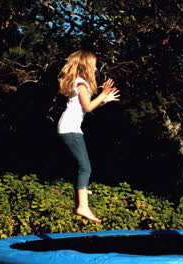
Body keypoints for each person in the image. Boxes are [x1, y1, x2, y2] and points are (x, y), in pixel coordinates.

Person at [57, 50, 120, 223]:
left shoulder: (79, 83)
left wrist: (104, 100)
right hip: (70, 128)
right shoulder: (81, 83)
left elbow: (85, 107)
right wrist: (103, 94)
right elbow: (89, 107)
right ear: (86, 65)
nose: (95, 68)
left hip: (69, 127)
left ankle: (80, 204)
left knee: (82, 167)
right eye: (94, 64)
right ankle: (82, 206)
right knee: (85, 167)